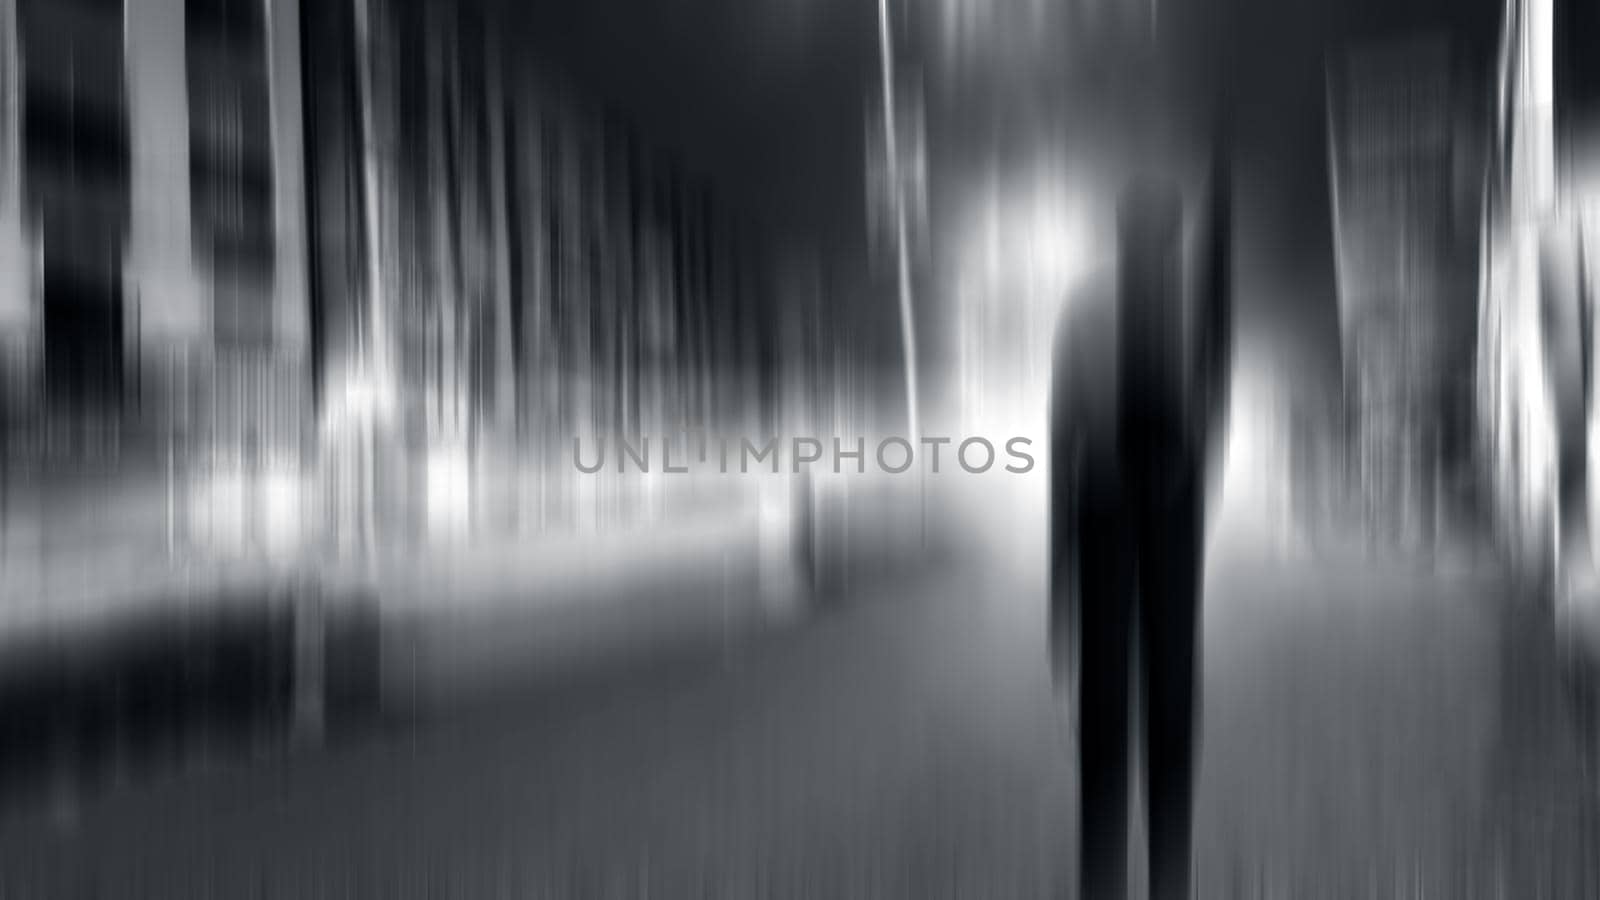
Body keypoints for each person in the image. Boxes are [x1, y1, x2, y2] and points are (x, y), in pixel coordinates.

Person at [1050, 162, 1231, 900]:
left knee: (1104, 692)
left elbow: (1063, 425)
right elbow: (1210, 413)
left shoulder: (1084, 299)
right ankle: (1169, 872)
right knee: (1171, 684)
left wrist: (1060, 553)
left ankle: (1102, 872)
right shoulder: (1196, 302)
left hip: (1102, 497)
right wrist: (1194, 498)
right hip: (1166, 500)